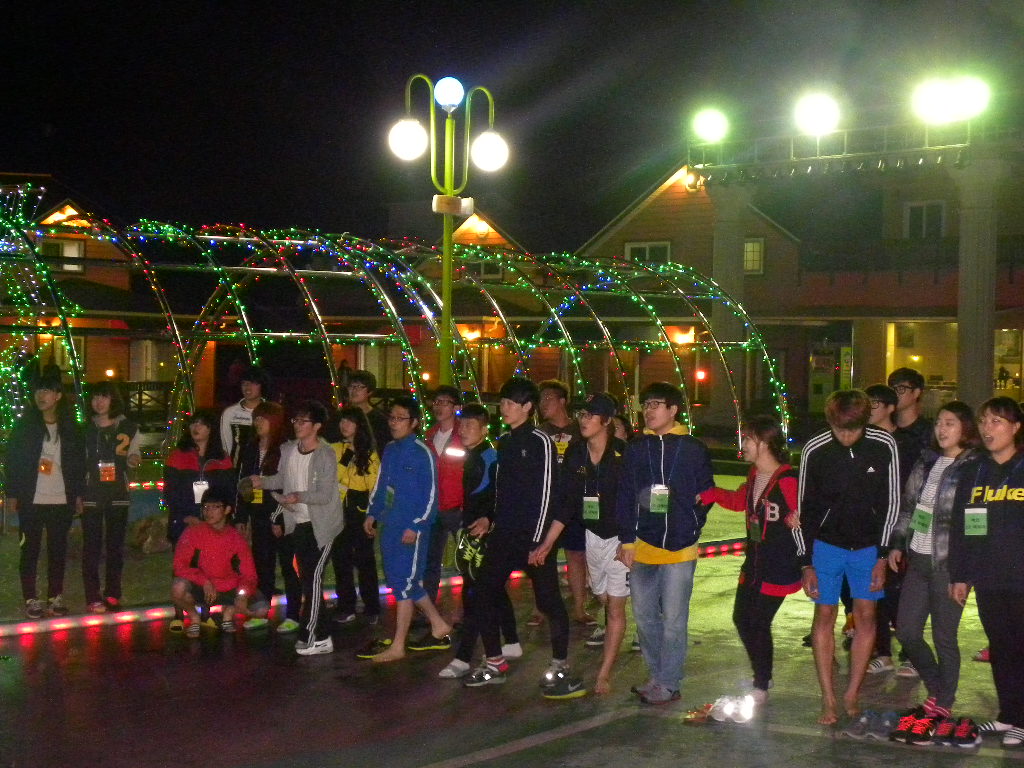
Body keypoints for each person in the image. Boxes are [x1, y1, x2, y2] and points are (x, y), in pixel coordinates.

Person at [465, 377, 585, 699]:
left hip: (534, 538)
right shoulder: (504, 441)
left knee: (548, 601)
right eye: (502, 403)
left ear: (526, 407)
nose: (503, 408)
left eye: (509, 403)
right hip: (504, 534)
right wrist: (489, 518)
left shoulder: (540, 441)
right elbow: (502, 490)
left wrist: (540, 542)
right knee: (483, 591)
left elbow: (547, 493)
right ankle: (494, 662)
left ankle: (560, 664)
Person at [798, 389, 900, 725]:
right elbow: (804, 507)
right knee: (824, 615)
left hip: (868, 548)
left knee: (867, 616)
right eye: (839, 429)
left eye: (852, 430)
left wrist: (882, 555)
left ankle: (852, 693)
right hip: (826, 545)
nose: (845, 436)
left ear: (864, 422)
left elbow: (892, 502)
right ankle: (828, 698)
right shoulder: (815, 448)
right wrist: (805, 561)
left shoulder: (884, 444)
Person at [886, 401, 980, 744]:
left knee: (944, 637)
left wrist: (965, 572)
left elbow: (976, 520)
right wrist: (898, 543)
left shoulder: (973, 467)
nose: (942, 429)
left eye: (950, 423)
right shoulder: (927, 461)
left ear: (965, 428)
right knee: (907, 631)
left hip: (949, 565)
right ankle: (938, 688)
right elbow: (909, 507)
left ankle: (944, 701)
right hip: (918, 559)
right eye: (939, 422)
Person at [616, 382, 713, 705]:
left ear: (673, 410)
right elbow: (626, 494)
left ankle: (669, 682)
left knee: (673, 620)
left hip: (680, 547)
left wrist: (693, 522)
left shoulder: (692, 448)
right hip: (642, 545)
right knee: (644, 618)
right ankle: (657, 676)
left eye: (656, 404)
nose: (649, 410)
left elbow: (707, 492)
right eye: (646, 405)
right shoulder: (636, 448)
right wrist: (626, 539)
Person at [700, 415, 802, 705]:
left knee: (758, 621)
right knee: (741, 618)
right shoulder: (755, 475)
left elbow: (807, 518)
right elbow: (738, 502)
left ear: (765, 443)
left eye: (747, 438)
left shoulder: (788, 480)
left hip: (779, 565)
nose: (742, 444)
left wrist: (801, 526)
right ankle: (762, 674)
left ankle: (761, 682)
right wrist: (709, 494)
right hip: (755, 563)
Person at [949, 397, 1024, 748]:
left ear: (1016, 427)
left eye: (996, 421)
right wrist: (960, 574)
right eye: (983, 421)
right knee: (1002, 647)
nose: (987, 428)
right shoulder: (974, 472)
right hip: (990, 577)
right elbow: (963, 527)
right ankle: (1009, 713)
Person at [362, 395, 453, 662]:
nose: (394, 423)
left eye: (400, 418)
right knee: (402, 581)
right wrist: (372, 513)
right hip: (390, 525)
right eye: (391, 417)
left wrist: (417, 525)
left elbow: (432, 496)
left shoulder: (423, 453)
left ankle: (398, 645)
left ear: (413, 422)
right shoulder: (390, 449)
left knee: (403, 585)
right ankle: (438, 624)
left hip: (411, 529)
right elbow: (382, 484)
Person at [253, 400, 344, 655]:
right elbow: (282, 479)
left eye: (304, 421)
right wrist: (262, 482)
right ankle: (323, 636)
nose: (297, 425)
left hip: (323, 526)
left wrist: (297, 497)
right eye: (296, 420)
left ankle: (313, 636)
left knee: (312, 580)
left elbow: (325, 495)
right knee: (308, 581)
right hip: (300, 524)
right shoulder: (288, 450)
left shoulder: (325, 454)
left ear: (317, 426)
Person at [438, 402, 521, 679]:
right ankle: (511, 643)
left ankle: (465, 658)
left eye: (470, 425)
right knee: (489, 591)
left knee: (475, 594)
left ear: (485, 429)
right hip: (474, 531)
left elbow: (502, 495)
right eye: (461, 425)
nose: (463, 430)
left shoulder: (490, 458)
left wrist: (488, 519)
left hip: (485, 536)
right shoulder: (473, 455)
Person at [6, 371, 86, 619]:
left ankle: (55, 596)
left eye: (46, 391)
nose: (40, 396)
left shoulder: (70, 427)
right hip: (32, 498)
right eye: (38, 391)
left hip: (61, 498)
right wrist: (12, 493)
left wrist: (78, 494)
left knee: (57, 550)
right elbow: (12, 460)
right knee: (29, 549)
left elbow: (78, 463)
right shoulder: (25, 426)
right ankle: (31, 598)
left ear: (58, 396)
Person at [563, 392, 628, 695]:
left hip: (620, 538)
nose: (583, 420)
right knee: (601, 594)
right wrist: (546, 540)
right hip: (592, 534)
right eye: (581, 414)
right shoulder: (575, 453)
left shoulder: (624, 454)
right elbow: (566, 499)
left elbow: (636, 501)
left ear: (607, 420)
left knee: (615, 608)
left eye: (590, 415)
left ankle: (604, 673)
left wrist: (629, 540)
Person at [164, 410, 235, 631]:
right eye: (193, 423)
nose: (196, 428)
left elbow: (228, 491)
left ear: (211, 429)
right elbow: (170, 492)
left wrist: (216, 518)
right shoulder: (178, 455)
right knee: (182, 567)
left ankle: (206, 613)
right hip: (184, 522)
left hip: (212, 523)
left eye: (202, 424)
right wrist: (185, 516)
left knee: (208, 567)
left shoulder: (220, 458)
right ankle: (179, 613)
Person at [235, 401, 302, 633]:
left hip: (282, 515)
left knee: (289, 567)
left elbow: (288, 485)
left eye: (262, 418)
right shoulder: (251, 448)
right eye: (256, 418)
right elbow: (244, 482)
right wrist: (241, 517)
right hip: (258, 515)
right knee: (262, 566)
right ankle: (261, 612)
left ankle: (293, 614)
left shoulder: (285, 448)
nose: (258, 423)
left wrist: (280, 518)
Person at [864, 383, 915, 676]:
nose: (869, 409)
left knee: (900, 592)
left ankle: (910, 653)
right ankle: (883, 652)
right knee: (875, 590)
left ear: (890, 408)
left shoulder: (905, 443)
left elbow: (911, 490)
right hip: (871, 527)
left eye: (874, 403)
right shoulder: (864, 442)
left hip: (899, 527)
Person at [171, 487, 268, 638]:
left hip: (229, 587)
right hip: (201, 587)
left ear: (227, 510)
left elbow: (249, 575)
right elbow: (180, 566)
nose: (208, 512)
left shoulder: (236, 538)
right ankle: (194, 617)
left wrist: (242, 594)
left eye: (215, 507)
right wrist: (204, 582)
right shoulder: (193, 532)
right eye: (206, 507)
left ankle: (228, 613)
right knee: (178, 588)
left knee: (261, 610)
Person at [537, 379, 593, 626]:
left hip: (573, 503)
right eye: (540, 399)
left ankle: (580, 607)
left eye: (548, 398)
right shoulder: (539, 433)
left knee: (576, 554)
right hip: (546, 504)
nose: (543, 404)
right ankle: (541, 608)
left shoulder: (580, 431)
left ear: (563, 401)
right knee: (542, 557)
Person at [82, 381, 141, 613]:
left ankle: (113, 592)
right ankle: (92, 595)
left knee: (115, 546)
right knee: (92, 547)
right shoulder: (85, 428)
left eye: (104, 397)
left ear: (113, 400)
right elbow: (77, 461)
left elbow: (134, 454)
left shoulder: (128, 427)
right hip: (91, 492)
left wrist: (134, 459)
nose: (99, 402)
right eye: (95, 397)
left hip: (118, 493)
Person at [330, 406, 381, 625]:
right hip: (338, 510)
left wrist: (373, 516)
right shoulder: (333, 449)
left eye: (349, 421)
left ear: (359, 426)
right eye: (342, 421)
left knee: (365, 560)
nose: (344, 425)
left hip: (360, 511)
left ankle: (372, 606)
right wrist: (347, 457)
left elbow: (374, 486)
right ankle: (346, 605)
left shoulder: (370, 454)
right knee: (341, 559)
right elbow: (332, 477)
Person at [422, 385, 467, 612]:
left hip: (458, 508)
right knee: (430, 562)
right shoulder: (428, 436)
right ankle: (428, 609)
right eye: (436, 402)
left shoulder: (464, 435)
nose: (439, 406)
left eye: (445, 402)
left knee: (466, 561)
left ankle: (471, 610)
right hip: (434, 508)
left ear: (456, 407)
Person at [220, 365, 269, 465]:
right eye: (244, 383)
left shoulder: (270, 412)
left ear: (261, 385)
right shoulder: (230, 413)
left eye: (253, 383)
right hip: (236, 469)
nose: (247, 387)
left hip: (264, 467)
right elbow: (226, 446)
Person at [888, 368, 932, 471]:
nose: (895, 394)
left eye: (901, 389)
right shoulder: (886, 428)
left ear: (916, 392)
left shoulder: (928, 433)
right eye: (892, 389)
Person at [347, 369, 391, 458]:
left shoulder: (380, 420)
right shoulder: (341, 416)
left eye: (359, 387)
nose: (354, 390)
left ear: (370, 391)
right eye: (351, 386)